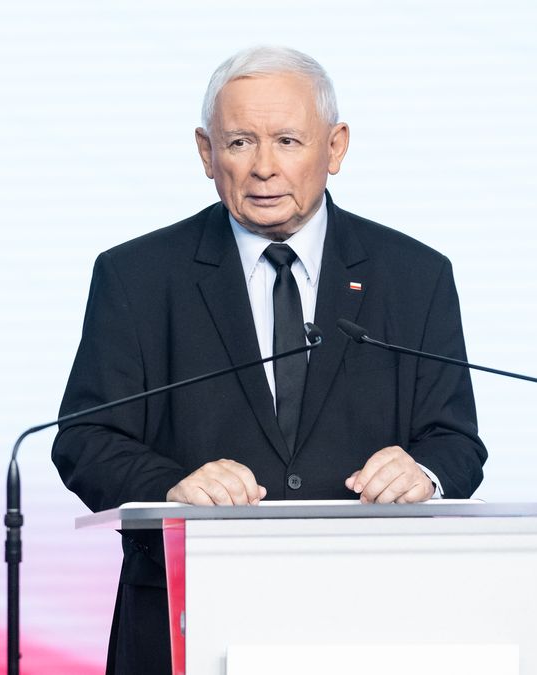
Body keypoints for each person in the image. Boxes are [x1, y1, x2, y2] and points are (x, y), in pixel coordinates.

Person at [51, 46, 487, 675]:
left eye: (287, 140)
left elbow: (458, 444)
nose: (263, 168)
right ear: (206, 153)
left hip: (374, 614)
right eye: (238, 143)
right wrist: (169, 490)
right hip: (185, 616)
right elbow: (84, 441)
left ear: (334, 149)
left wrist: (425, 472)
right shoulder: (137, 276)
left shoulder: (414, 275)